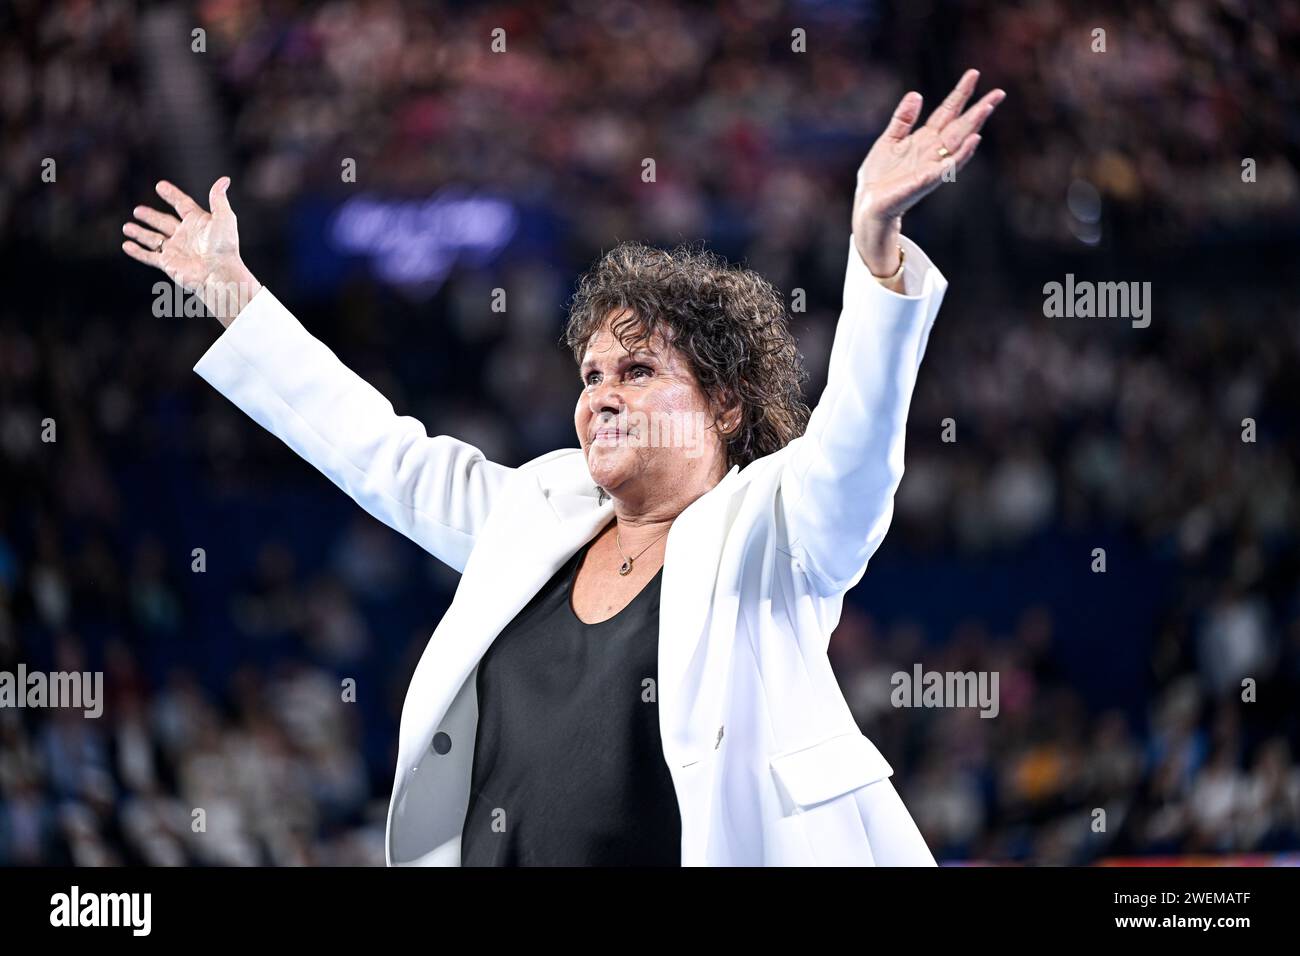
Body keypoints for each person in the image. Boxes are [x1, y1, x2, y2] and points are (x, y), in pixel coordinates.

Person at [122, 70, 1004, 865]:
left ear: (725, 405)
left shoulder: (777, 532)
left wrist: (875, 244)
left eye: (638, 370)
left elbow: (856, 442)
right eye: (591, 375)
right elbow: (382, 454)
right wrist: (237, 298)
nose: (601, 394)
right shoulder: (537, 511)